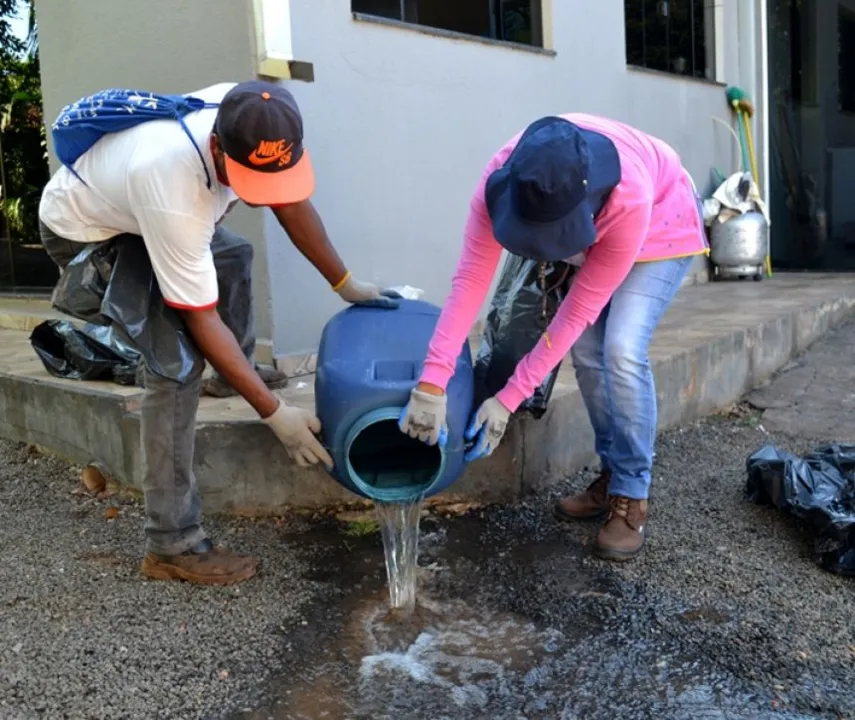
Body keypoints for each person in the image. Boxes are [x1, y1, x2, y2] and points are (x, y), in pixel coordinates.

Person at [38, 80, 398, 585]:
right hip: (89, 233)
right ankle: (172, 544)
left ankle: (233, 374)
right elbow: (200, 316)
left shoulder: (255, 114)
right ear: (217, 147)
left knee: (232, 253)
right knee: (175, 367)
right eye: (249, 178)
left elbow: (289, 201)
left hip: (136, 209)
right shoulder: (173, 188)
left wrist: (344, 282)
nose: (261, 190)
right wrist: (275, 414)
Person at [399, 114, 708, 561]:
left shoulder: (629, 198)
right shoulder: (505, 176)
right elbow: (470, 281)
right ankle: (611, 476)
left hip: (662, 220)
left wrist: (509, 398)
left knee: (619, 348)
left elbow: (577, 310)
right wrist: (431, 385)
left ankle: (631, 494)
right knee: (586, 353)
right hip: (591, 217)